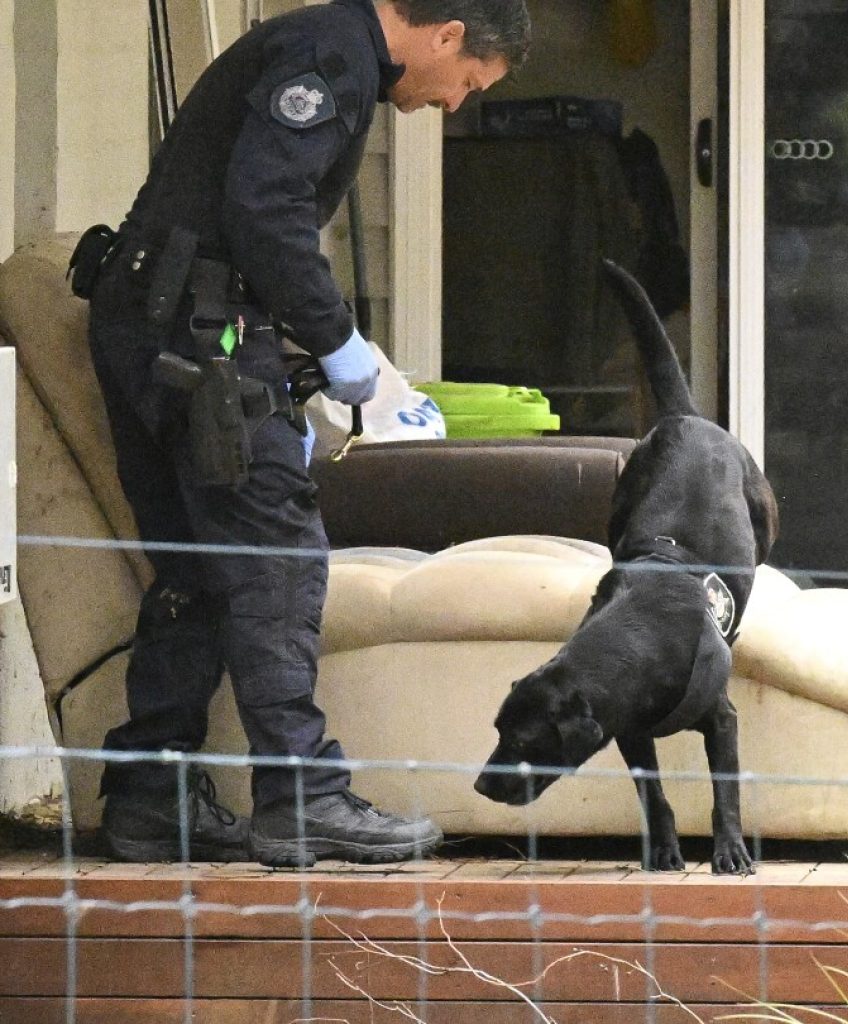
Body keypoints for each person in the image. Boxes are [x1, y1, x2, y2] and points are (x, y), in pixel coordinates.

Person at [80, 0, 530, 867]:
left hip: (150, 318)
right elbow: (267, 209)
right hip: (199, 334)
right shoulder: (331, 56)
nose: (455, 104)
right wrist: (335, 338)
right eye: (468, 82)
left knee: (197, 563)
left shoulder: (318, 45)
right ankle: (304, 797)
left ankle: (151, 795)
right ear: (446, 37)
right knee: (276, 556)